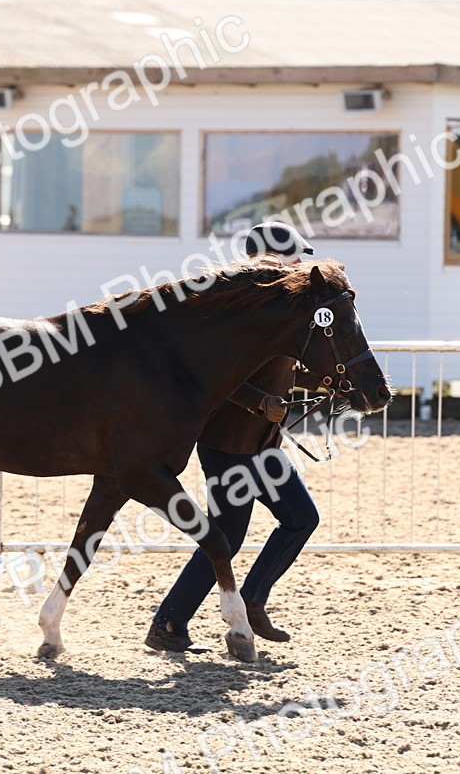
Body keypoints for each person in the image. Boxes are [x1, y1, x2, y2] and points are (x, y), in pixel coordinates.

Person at [146, 221, 323, 653]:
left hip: (262, 443)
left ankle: (254, 599)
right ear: (271, 257)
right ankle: (168, 624)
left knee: (301, 519)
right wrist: (262, 402)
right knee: (227, 536)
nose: (301, 263)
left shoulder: (278, 305)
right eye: (295, 255)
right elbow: (215, 375)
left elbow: (282, 364)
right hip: (226, 440)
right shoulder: (238, 305)